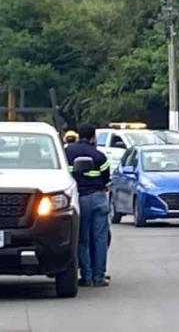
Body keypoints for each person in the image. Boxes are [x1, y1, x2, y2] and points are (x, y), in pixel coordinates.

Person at [65, 123, 111, 287]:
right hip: (99, 198)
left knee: (82, 239)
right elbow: (106, 179)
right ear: (93, 137)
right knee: (100, 239)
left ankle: (87, 276)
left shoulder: (67, 153)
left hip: (81, 198)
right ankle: (99, 276)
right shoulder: (100, 156)